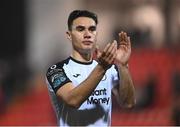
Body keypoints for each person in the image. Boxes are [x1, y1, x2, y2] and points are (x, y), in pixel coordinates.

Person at [46, 10, 136, 126]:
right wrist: (102, 67)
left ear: (96, 34)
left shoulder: (109, 68)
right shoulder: (57, 70)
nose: (87, 34)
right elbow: (72, 100)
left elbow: (128, 103)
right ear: (69, 35)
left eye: (92, 29)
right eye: (80, 29)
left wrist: (123, 66)